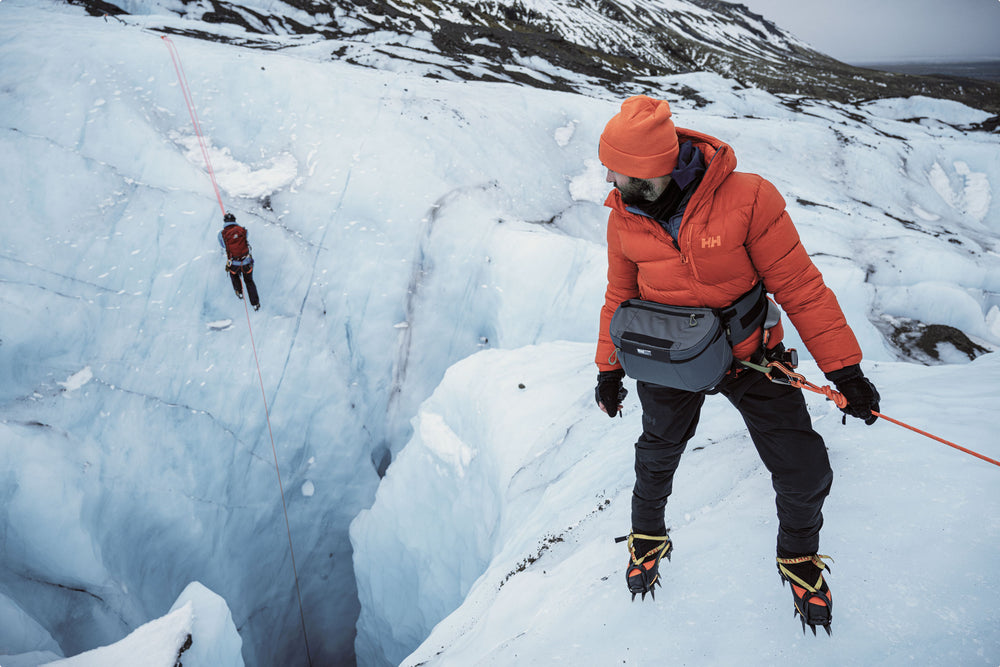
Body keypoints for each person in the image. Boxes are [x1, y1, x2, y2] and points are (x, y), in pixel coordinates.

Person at [593, 95, 879, 633]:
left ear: (661, 168)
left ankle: (797, 556)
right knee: (655, 456)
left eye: (626, 177)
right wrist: (608, 369)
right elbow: (618, 295)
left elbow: (800, 288)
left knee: (805, 469)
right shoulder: (623, 215)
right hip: (668, 358)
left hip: (752, 362)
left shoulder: (748, 199)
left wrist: (846, 372)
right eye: (612, 172)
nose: (615, 187)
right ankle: (647, 535)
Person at [218, 212, 260, 310]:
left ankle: (239, 292)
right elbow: (246, 238)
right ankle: (255, 303)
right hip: (246, 262)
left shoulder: (221, 234)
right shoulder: (243, 230)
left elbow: (223, 245)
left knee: (234, 275)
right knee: (249, 281)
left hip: (234, 263)